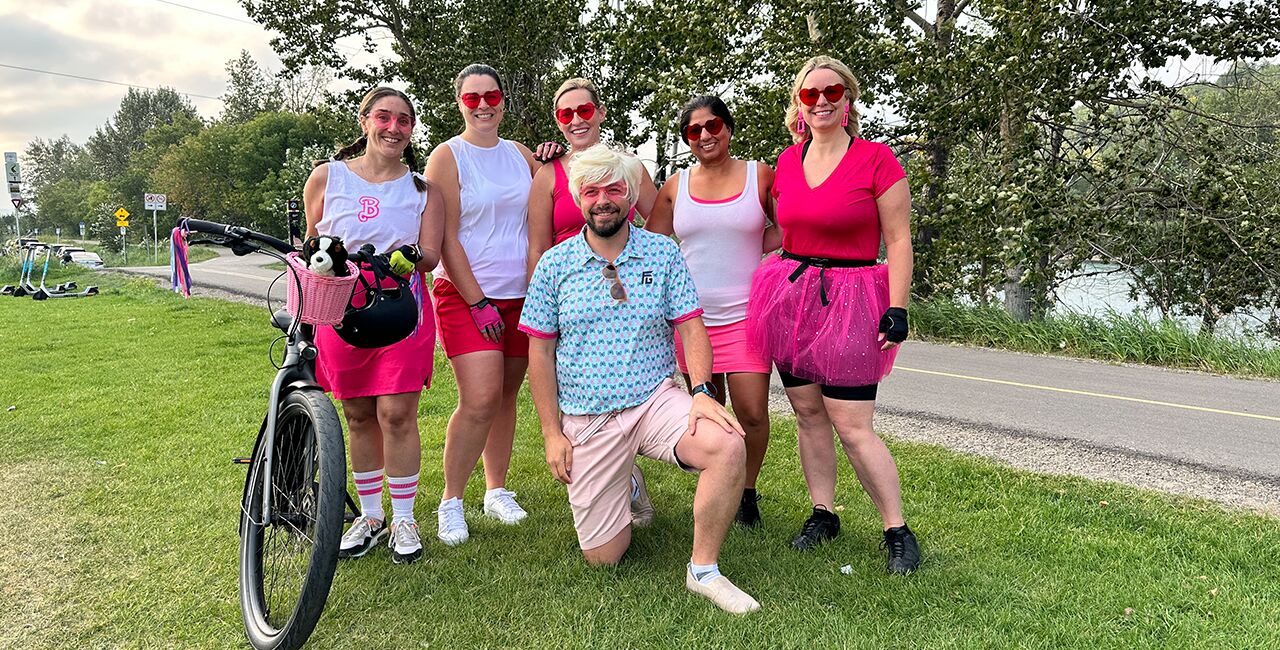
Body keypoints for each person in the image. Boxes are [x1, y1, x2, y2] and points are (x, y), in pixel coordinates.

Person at [520, 144, 760, 614]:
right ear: (579, 199)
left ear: (630, 196)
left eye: (614, 189)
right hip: (588, 416)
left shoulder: (663, 252)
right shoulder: (554, 264)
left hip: (654, 400)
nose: (603, 199)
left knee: (728, 443)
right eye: (591, 191)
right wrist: (552, 433)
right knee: (604, 558)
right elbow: (540, 352)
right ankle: (627, 481)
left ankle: (703, 570)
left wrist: (702, 393)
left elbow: (691, 326)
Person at [747, 55, 921, 573]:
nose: (821, 101)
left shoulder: (877, 160)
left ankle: (897, 529)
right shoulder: (786, 161)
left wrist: (898, 307)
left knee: (852, 423)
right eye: (810, 94)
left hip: (852, 298)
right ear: (799, 104)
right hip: (792, 295)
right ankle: (823, 513)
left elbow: (899, 238)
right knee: (807, 413)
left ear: (847, 100)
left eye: (831, 92)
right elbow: (780, 232)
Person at [303, 86, 444, 564]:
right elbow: (312, 248)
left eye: (404, 120)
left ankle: (404, 517)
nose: (393, 127)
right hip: (341, 308)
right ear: (364, 121)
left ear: (411, 131)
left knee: (397, 415)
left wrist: (405, 258)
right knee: (359, 415)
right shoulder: (327, 177)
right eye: (384, 117)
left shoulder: (424, 190)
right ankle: (371, 515)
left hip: (399, 307)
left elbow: (431, 257)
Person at [527, 77, 662, 526]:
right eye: (566, 114)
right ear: (558, 123)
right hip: (568, 293)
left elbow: (657, 223)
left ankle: (624, 474)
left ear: (600, 113)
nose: (577, 120)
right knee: (575, 393)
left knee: (624, 383)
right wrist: (542, 302)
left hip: (622, 294)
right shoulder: (548, 172)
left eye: (585, 110)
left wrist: (647, 282)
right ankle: (618, 478)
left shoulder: (627, 165)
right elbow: (537, 244)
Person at [645, 95, 778, 527]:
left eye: (713, 125)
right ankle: (720, 483)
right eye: (693, 130)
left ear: (729, 127)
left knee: (753, 410)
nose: (705, 135)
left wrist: (757, 249)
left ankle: (747, 492)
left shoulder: (760, 175)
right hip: (691, 320)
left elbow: (789, 229)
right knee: (708, 408)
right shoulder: (676, 186)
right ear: (686, 139)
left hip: (746, 317)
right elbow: (652, 246)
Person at [424, 64, 541, 546]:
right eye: (472, 98)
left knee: (506, 396)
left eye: (491, 95)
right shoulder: (447, 157)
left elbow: (557, 194)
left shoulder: (520, 154)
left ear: (502, 99)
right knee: (479, 399)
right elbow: (445, 236)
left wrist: (551, 156)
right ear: (460, 104)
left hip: (522, 293)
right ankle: (451, 500)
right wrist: (477, 302)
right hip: (466, 295)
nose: (483, 105)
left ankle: (496, 490)